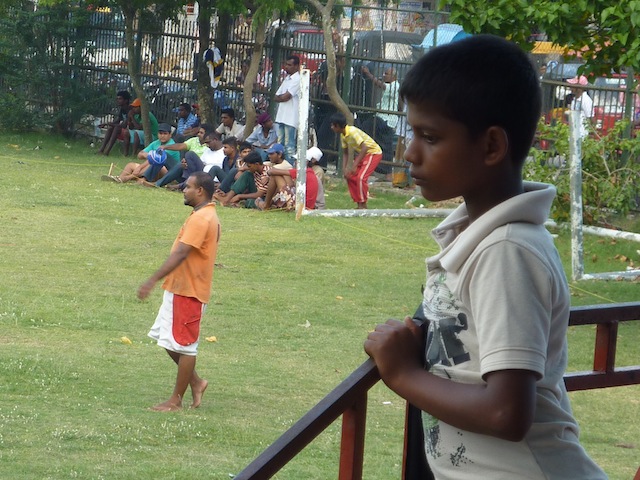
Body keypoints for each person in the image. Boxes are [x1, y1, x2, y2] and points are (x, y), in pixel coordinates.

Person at [363, 35, 607, 479]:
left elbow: (506, 413)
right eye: (412, 131)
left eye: (430, 136)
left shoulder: (506, 250)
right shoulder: (480, 235)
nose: (410, 152)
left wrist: (402, 375)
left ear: (492, 146)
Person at [138, 171, 220, 412]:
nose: (184, 189)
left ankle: (175, 401)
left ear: (200, 191)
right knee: (167, 339)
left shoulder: (202, 219)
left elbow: (182, 253)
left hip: (189, 290)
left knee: (184, 346)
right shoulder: (205, 214)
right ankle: (196, 382)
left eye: (188, 187)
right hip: (179, 287)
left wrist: (151, 280)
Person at [329, 112, 382, 209]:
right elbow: (345, 152)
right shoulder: (343, 135)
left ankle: (363, 204)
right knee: (350, 176)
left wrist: (354, 165)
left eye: (333, 125)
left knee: (361, 178)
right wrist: (344, 168)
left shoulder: (352, 132)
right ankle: (358, 202)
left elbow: (365, 148)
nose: (331, 127)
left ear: (338, 125)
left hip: (373, 153)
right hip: (364, 154)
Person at [103, 123, 180, 184]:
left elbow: (157, 160)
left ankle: (129, 177)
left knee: (155, 163)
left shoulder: (171, 145)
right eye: (160, 133)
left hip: (167, 171)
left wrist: (140, 167)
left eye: (165, 134)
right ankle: (120, 178)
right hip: (151, 166)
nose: (162, 136)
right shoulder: (156, 143)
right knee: (130, 165)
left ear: (170, 135)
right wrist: (147, 155)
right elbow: (140, 154)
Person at [274, 55, 301, 160]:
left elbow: (286, 97)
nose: (286, 67)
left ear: (296, 66)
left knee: (289, 146)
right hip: (281, 116)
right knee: (279, 145)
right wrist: (282, 97)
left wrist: (282, 97)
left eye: (289, 65)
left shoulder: (297, 79)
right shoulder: (287, 79)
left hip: (290, 118)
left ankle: (289, 169)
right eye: (286, 64)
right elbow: (276, 97)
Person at [98, 90, 131, 156]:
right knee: (111, 128)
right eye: (117, 99)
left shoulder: (130, 110)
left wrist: (112, 124)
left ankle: (107, 151)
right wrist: (106, 124)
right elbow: (118, 120)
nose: (118, 100)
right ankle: (101, 150)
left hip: (130, 131)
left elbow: (124, 125)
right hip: (125, 130)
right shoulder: (122, 109)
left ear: (126, 100)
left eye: (120, 99)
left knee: (117, 128)